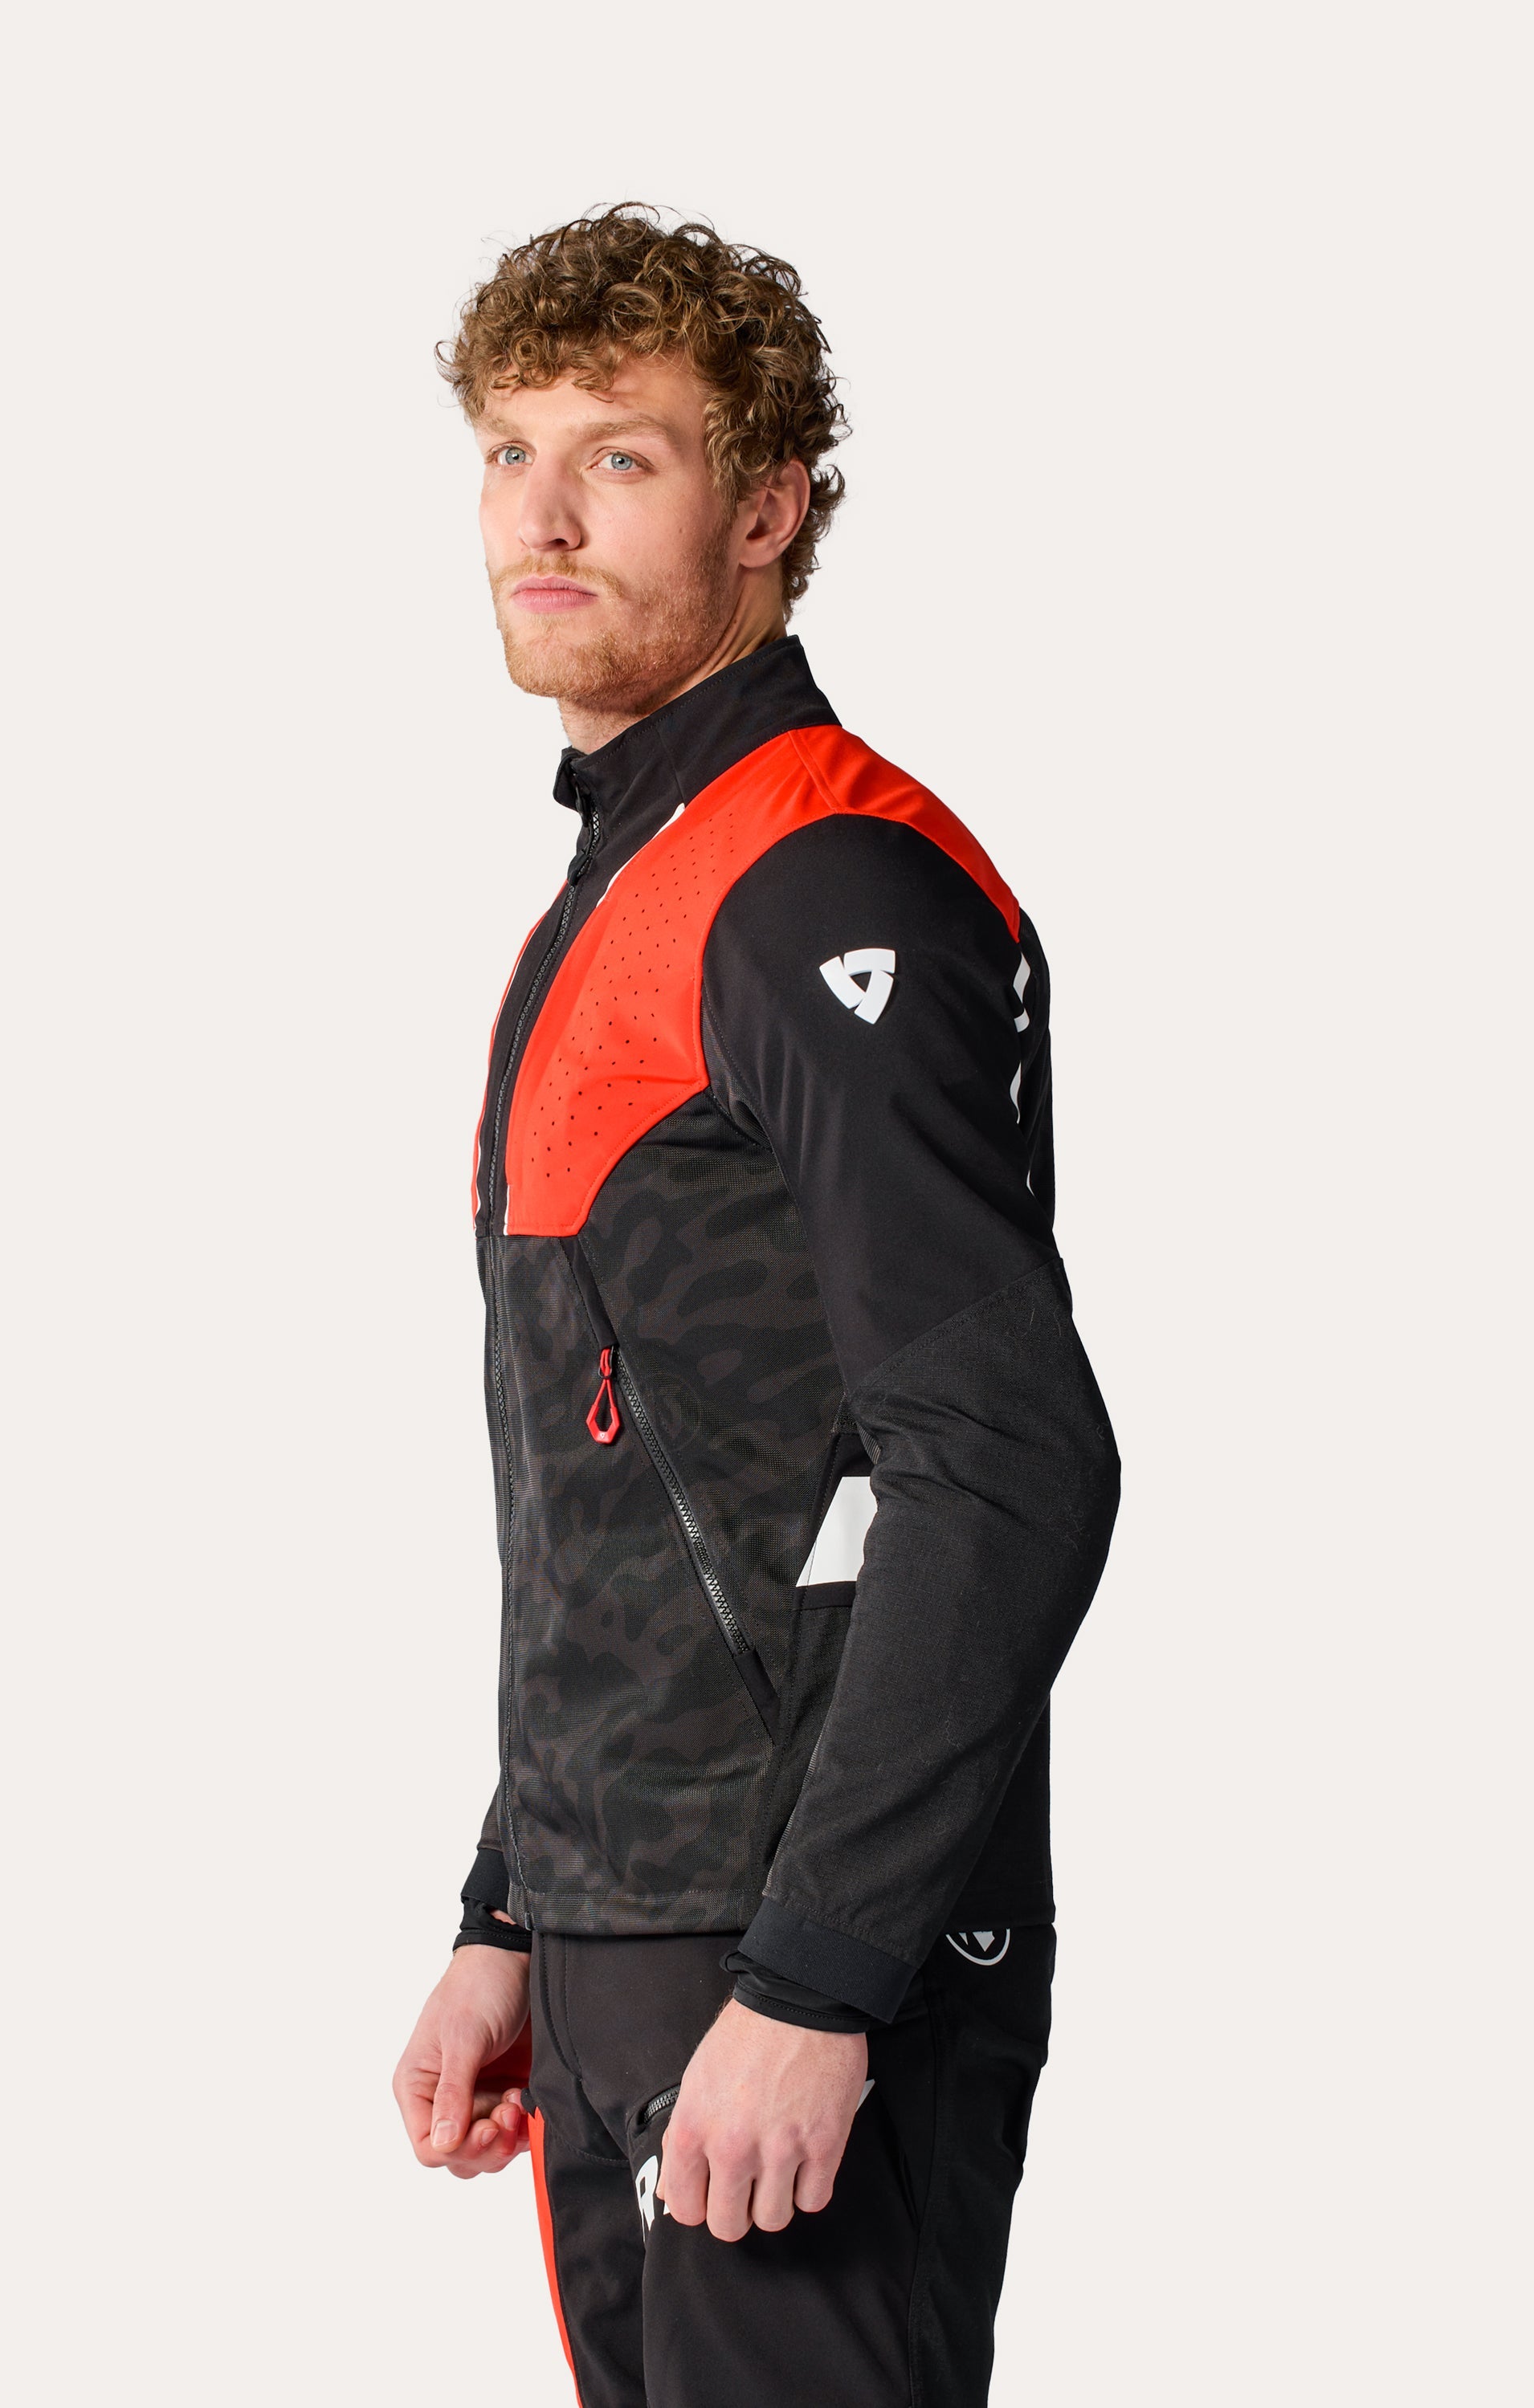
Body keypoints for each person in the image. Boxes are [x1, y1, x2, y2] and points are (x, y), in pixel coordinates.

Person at [393, 206, 1120, 2408]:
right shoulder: (623, 886)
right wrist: (513, 1906)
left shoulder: (821, 881)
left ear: (772, 507)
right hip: (641, 1938)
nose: (540, 512)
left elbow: (1005, 1464)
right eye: (510, 451)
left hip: (795, 1961)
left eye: (619, 456)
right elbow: (647, 1471)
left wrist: (819, 1977)